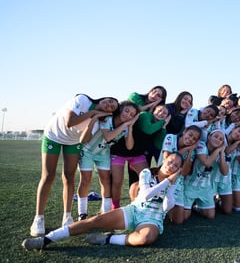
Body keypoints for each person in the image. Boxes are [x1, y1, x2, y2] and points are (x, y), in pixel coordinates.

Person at [22, 153, 183, 250]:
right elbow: (145, 195)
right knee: (95, 220)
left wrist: (171, 185)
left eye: (176, 166)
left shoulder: (175, 183)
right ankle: (46, 240)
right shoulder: (147, 172)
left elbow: (166, 206)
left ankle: (107, 238)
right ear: (165, 158)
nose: (172, 166)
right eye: (171, 161)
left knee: (146, 238)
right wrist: (168, 182)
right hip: (134, 211)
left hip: (152, 219)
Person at [29, 94, 119, 237]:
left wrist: (94, 119)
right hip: (53, 136)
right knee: (48, 176)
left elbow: (84, 139)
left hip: (73, 142)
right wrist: (93, 113)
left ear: (111, 113)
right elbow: (69, 122)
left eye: (113, 107)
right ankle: (38, 218)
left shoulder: (99, 122)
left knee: (69, 176)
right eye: (109, 101)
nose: (109, 104)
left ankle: (67, 216)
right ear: (102, 98)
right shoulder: (82, 100)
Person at [77, 101, 139, 220]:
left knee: (106, 181)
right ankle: (82, 213)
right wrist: (124, 125)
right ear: (120, 109)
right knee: (85, 180)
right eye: (127, 111)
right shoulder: (108, 119)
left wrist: (130, 128)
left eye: (132, 115)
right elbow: (108, 136)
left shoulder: (126, 127)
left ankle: (106, 212)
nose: (128, 115)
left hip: (103, 153)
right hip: (88, 150)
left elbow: (129, 146)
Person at [110, 104, 170, 209]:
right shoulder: (145, 116)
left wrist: (164, 127)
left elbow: (158, 144)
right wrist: (163, 122)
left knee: (148, 178)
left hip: (137, 155)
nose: (161, 113)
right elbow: (148, 129)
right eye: (159, 110)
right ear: (153, 111)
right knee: (117, 181)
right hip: (119, 152)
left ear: (167, 117)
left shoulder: (159, 125)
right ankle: (115, 206)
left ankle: (141, 203)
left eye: (165, 113)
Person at [158, 125, 202, 224]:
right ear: (185, 131)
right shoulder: (171, 137)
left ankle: (168, 209)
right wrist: (188, 148)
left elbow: (184, 172)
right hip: (162, 177)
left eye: (194, 139)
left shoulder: (193, 151)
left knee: (179, 220)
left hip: (177, 181)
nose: (191, 139)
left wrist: (190, 152)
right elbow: (167, 160)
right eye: (190, 135)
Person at [183, 130, 227, 221]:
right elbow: (206, 163)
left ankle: (196, 206)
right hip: (190, 185)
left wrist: (222, 153)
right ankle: (189, 205)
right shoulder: (201, 145)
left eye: (221, 139)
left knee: (210, 216)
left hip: (205, 188)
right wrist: (218, 150)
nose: (217, 140)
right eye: (215, 136)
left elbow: (225, 172)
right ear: (209, 137)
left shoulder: (218, 152)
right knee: (184, 217)